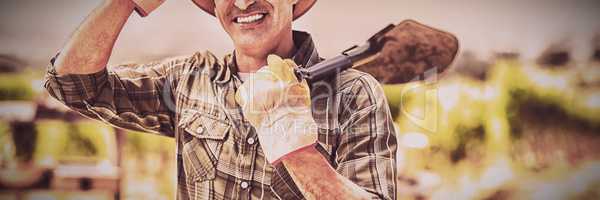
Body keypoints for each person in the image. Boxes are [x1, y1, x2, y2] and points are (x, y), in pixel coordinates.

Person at [43, 0, 397, 199]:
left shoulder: (354, 95)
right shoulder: (189, 80)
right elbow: (73, 85)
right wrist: (125, 2)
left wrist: (297, 151)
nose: (243, 2)